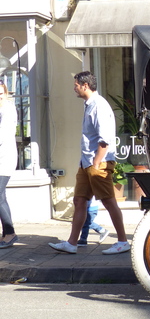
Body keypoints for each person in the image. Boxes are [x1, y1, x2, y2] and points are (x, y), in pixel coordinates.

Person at [49, 71, 129, 255]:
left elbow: (105, 140)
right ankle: (72, 243)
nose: (74, 88)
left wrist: (96, 164)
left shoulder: (99, 106)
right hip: (86, 163)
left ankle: (123, 241)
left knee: (109, 202)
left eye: (76, 85)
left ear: (85, 86)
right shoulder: (89, 105)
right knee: (79, 201)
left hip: (97, 163)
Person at [0, 81, 18, 249]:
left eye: (1, 93)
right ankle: (7, 234)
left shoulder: (8, 110)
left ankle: (10, 233)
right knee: (1, 197)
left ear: (5, 93)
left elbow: (2, 136)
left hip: (4, 160)